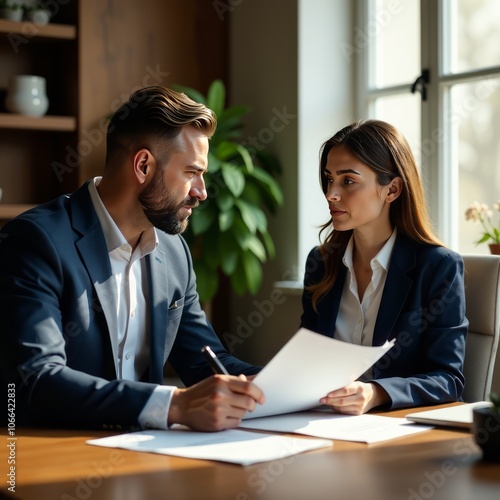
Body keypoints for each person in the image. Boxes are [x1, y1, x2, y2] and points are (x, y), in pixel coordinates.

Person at [0, 86, 264, 431]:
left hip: (144, 455)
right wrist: (174, 404)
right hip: (50, 453)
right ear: (143, 165)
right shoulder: (36, 240)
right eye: (191, 173)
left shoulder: (174, 251)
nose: (201, 192)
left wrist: (304, 388)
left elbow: (208, 364)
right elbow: (36, 380)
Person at [300, 119, 467, 415]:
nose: (331, 194)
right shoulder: (320, 263)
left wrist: (376, 393)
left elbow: (448, 379)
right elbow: (306, 363)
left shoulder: (438, 267)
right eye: (329, 179)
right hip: (319, 423)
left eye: (348, 181)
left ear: (391, 190)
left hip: (393, 432)